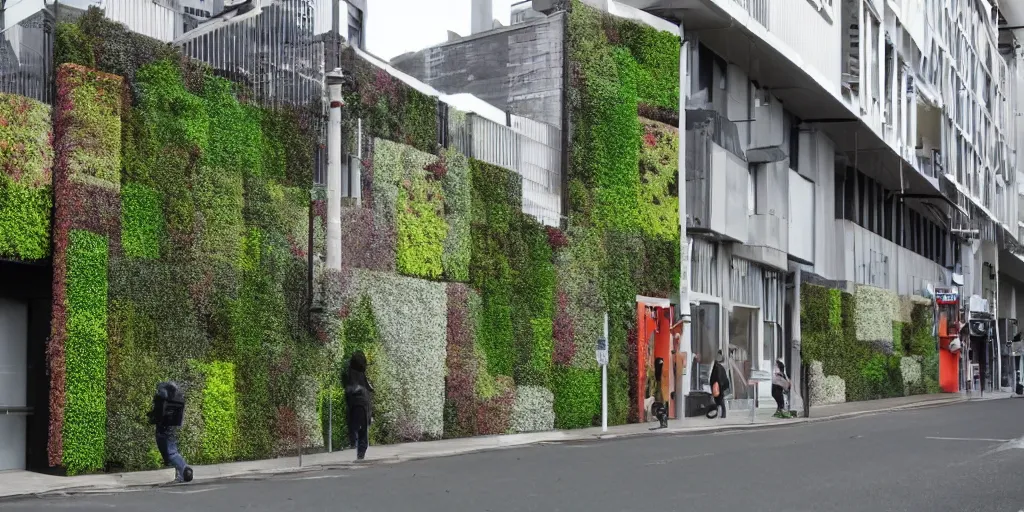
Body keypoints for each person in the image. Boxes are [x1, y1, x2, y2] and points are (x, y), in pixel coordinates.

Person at [148, 382, 193, 483]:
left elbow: (158, 412)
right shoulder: (176, 398)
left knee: (170, 452)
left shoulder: (163, 398)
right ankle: (181, 474)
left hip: (163, 426)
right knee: (172, 449)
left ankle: (185, 469)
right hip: (171, 425)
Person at [343, 350, 374, 461]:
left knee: (356, 427)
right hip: (362, 404)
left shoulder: (351, 373)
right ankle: (360, 451)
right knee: (362, 430)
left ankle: (356, 446)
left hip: (356, 404)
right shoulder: (359, 375)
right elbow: (367, 388)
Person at [708, 351, 729, 419]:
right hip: (718, 385)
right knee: (718, 400)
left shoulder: (717, 366)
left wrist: (717, 384)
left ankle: (722, 414)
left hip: (718, 386)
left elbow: (717, 377)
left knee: (719, 400)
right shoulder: (718, 366)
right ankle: (720, 413)